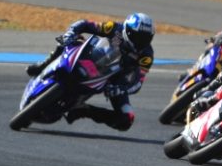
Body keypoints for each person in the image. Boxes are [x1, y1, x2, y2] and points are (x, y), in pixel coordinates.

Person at [25, 13, 156, 131]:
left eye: (145, 38)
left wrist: (122, 89)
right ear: (128, 30)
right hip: (94, 55)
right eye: (138, 36)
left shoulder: (146, 56)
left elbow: (138, 81)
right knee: (71, 40)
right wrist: (71, 32)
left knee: (126, 119)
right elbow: (85, 24)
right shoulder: (114, 28)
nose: (141, 41)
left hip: (113, 80)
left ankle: (83, 110)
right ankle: (43, 65)